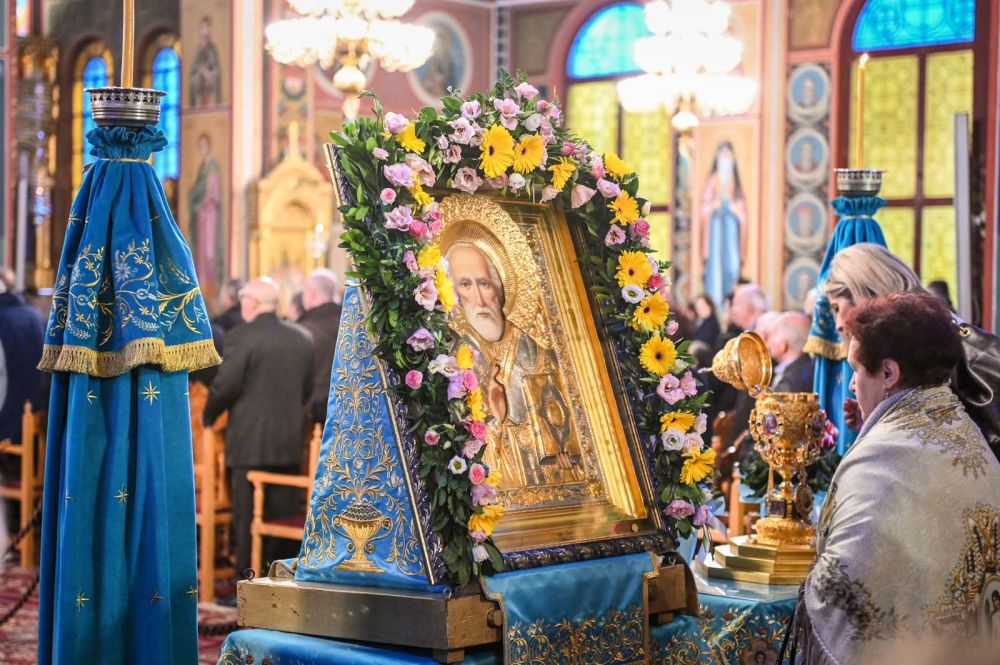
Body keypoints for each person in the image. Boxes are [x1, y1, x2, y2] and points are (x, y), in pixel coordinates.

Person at [795, 292, 1000, 664]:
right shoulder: (966, 433)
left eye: (856, 370)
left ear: (888, 373)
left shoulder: (880, 461)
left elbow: (835, 594)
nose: (852, 386)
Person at [824, 243, 1000, 460]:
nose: (838, 325)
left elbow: (955, 447)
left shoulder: (940, 346)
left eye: (836, 308)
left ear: (865, 293)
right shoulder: (929, 334)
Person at [445, 241, 581, 490]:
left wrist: (564, 456)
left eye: (484, 283)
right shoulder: (453, 365)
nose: (479, 300)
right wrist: (495, 417)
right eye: (466, 285)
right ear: (453, 295)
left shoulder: (536, 352)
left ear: (499, 287)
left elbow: (572, 431)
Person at [203, 277, 314, 578]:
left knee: (247, 519)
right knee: (281, 514)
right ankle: (278, 580)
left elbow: (226, 385)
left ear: (250, 304)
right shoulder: (302, 338)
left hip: (249, 444)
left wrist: (208, 416)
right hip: (288, 444)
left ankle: (248, 581)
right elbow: (307, 390)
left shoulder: (242, 336)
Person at [701, 141, 747, 305]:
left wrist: (736, 210)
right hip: (716, 229)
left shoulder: (735, 182)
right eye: (723, 155)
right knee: (716, 267)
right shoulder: (714, 180)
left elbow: (742, 209)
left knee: (732, 266)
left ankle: (731, 301)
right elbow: (705, 207)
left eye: (728, 155)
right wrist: (714, 206)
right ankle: (715, 301)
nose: (726, 158)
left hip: (731, 229)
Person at [297, 269, 342, 426]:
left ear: (311, 295)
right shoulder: (350, 325)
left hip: (313, 414)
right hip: (346, 410)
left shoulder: (303, 331)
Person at [188, 133, 223, 289]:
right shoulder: (203, 166)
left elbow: (213, 192)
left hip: (209, 215)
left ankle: (208, 285)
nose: (202, 149)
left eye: (204, 146)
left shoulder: (212, 167)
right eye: (199, 146)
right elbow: (197, 189)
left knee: (208, 249)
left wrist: (202, 201)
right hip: (202, 214)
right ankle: (200, 282)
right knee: (201, 250)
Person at [767, 313, 814, 393]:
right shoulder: (808, 366)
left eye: (772, 335)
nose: (768, 342)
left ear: (783, 345)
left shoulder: (789, 382)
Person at [189, 16, 221, 107]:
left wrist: (209, 74)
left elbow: (216, 70)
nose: (204, 31)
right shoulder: (198, 50)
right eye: (202, 28)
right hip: (199, 90)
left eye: (206, 28)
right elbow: (193, 71)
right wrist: (199, 73)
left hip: (210, 89)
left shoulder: (212, 49)